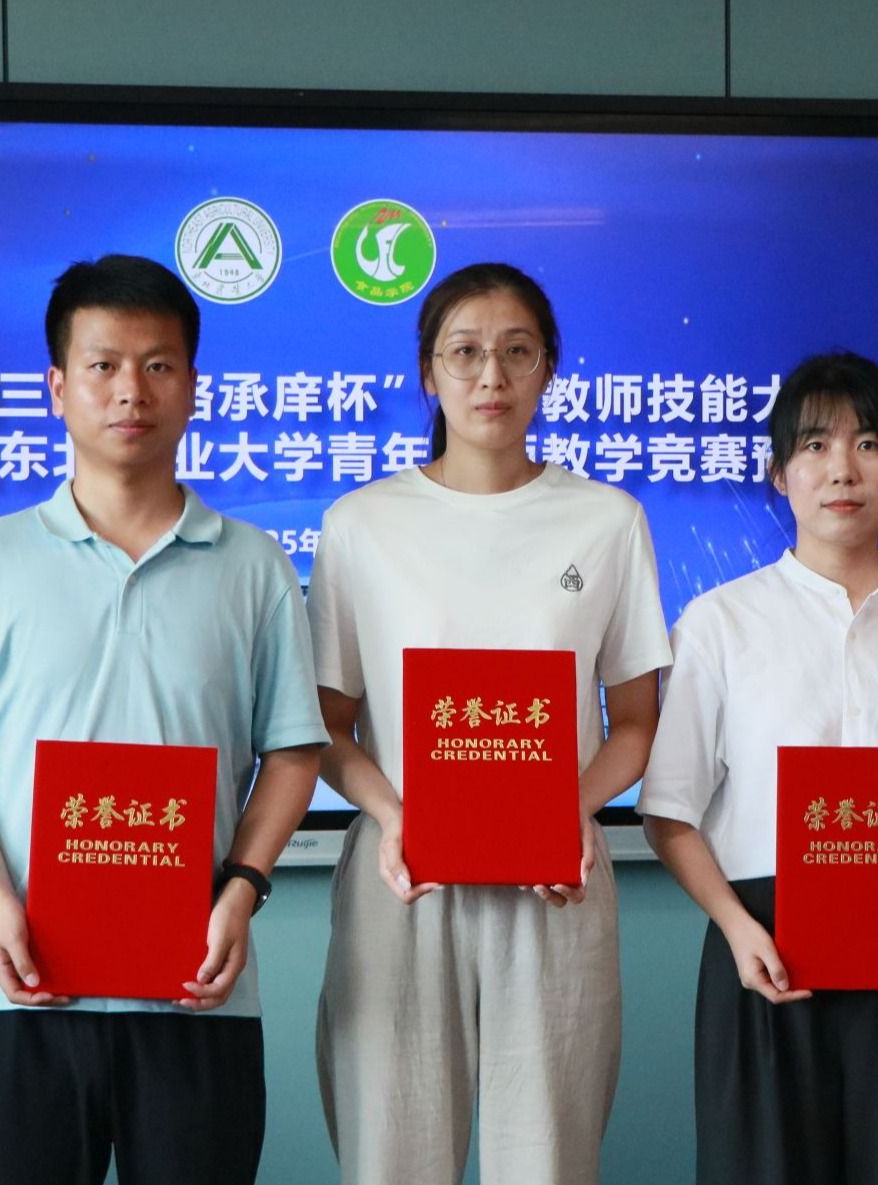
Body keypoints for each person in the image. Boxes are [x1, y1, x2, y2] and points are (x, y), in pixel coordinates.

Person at [0, 254, 328, 1185]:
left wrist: (243, 887)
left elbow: (293, 750)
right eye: (103, 365)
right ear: (58, 387)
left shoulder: (254, 565)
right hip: (24, 986)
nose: (132, 390)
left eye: (159, 364)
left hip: (197, 988)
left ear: (193, 386)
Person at [306, 262, 672, 1185]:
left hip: (554, 879)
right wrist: (395, 816)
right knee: (392, 1156)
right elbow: (328, 727)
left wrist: (561, 812)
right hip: (402, 875)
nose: (491, 377)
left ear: (549, 366)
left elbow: (635, 722)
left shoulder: (607, 520)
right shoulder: (361, 523)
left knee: (547, 1160)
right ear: (427, 373)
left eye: (517, 352)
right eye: (464, 353)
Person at [640, 352, 878, 1185]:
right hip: (764, 952)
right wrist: (738, 929)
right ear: (780, 474)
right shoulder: (719, 622)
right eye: (815, 445)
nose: (843, 468)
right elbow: (669, 811)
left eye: (869, 443)